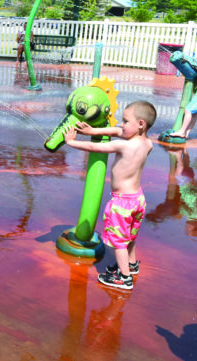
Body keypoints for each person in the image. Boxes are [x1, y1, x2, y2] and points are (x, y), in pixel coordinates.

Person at [63, 100, 157, 290]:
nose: (120, 125)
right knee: (130, 236)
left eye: (124, 121)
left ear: (140, 124)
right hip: (138, 199)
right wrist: (92, 132)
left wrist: (72, 142)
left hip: (122, 204)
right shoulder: (147, 143)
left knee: (118, 242)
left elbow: (95, 148)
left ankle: (124, 277)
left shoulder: (124, 146)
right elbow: (117, 131)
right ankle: (131, 265)